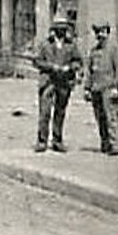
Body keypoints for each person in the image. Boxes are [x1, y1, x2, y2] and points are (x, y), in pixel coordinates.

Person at [34, 15, 82, 153]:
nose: (61, 31)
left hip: (64, 82)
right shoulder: (45, 44)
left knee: (60, 112)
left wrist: (70, 67)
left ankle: (57, 140)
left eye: (63, 29)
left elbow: (78, 61)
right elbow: (37, 61)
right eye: (58, 28)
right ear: (53, 29)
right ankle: (42, 141)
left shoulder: (71, 45)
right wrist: (51, 67)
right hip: (48, 81)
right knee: (45, 112)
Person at [85, 22, 118, 156]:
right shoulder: (94, 51)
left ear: (108, 32)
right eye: (97, 32)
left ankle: (116, 145)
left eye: (102, 31)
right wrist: (87, 88)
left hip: (109, 88)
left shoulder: (114, 49)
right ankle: (105, 143)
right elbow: (89, 71)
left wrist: (116, 87)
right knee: (100, 117)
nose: (99, 35)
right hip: (96, 88)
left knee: (111, 116)